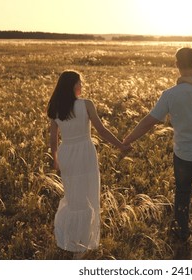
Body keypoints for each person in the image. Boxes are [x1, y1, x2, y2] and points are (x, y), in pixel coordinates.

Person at [123, 47, 192, 259]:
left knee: (181, 193)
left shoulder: (169, 95)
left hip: (183, 155)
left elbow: (149, 121)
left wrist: (127, 140)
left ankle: (181, 232)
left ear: (176, 65)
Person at [47, 70, 130, 259]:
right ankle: (81, 245)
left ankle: (73, 239)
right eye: (80, 83)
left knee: (74, 196)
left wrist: (56, 158)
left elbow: (53, 139)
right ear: (75, 86)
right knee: (88, 195)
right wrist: (121, 146)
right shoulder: (86, 104)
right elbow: (101, 131)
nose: (81, 86)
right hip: (85, 151)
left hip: (66, 152)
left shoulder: (56, 108)